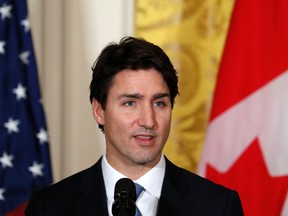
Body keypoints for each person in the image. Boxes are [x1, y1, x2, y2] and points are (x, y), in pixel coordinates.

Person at [25, 36, 244, 216]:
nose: (148, 121)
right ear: (99, 111)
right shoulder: (49, 208)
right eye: (130, 103)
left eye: (159, 103)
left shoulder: (218, 207)